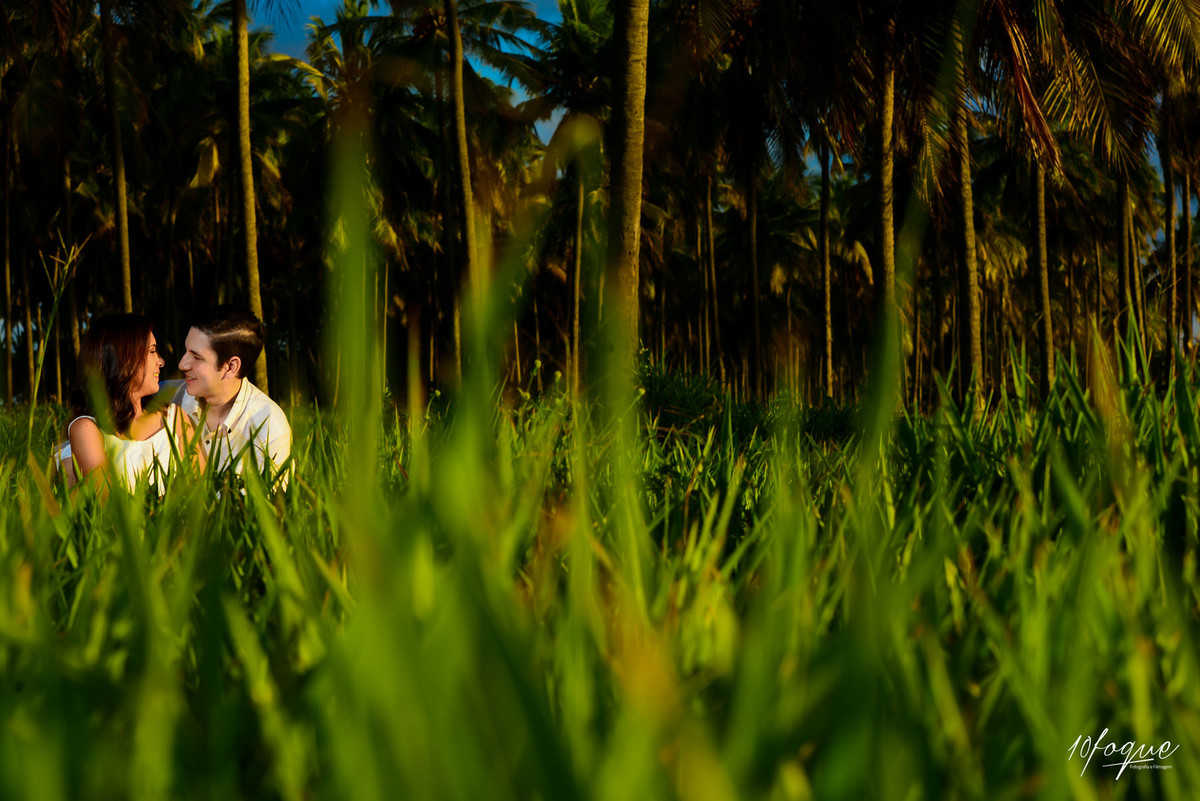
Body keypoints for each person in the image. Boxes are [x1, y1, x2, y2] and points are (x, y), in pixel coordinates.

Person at [59, 314, 202, 493]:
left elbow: (202, 487)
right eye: (152, 351)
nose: (161, 361)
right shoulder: (86, 429)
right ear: (123, 359)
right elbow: (106, 500)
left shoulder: (175, 419)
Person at [170, 306, 291, 491]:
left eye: (196, 357)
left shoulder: (268, 427)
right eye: (186, 351)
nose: (182, 363)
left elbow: (271, 509)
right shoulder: (165, 399)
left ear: (231, 366)